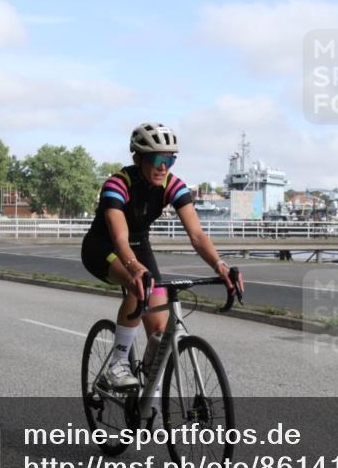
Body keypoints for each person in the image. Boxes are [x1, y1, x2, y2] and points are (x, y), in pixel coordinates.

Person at [81, 123, 240, 390]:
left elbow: (198, 236)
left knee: (158, 335)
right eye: (156, 159)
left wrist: (220, 265)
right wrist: (134, 270)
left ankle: (146, 402)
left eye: (169, 159)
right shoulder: (117, 185)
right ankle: (117, 365)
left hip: (139, 245)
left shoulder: (172, 185)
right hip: (103, 248)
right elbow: (120, 239)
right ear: (137, 158)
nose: (163, 167)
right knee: (137, 285)